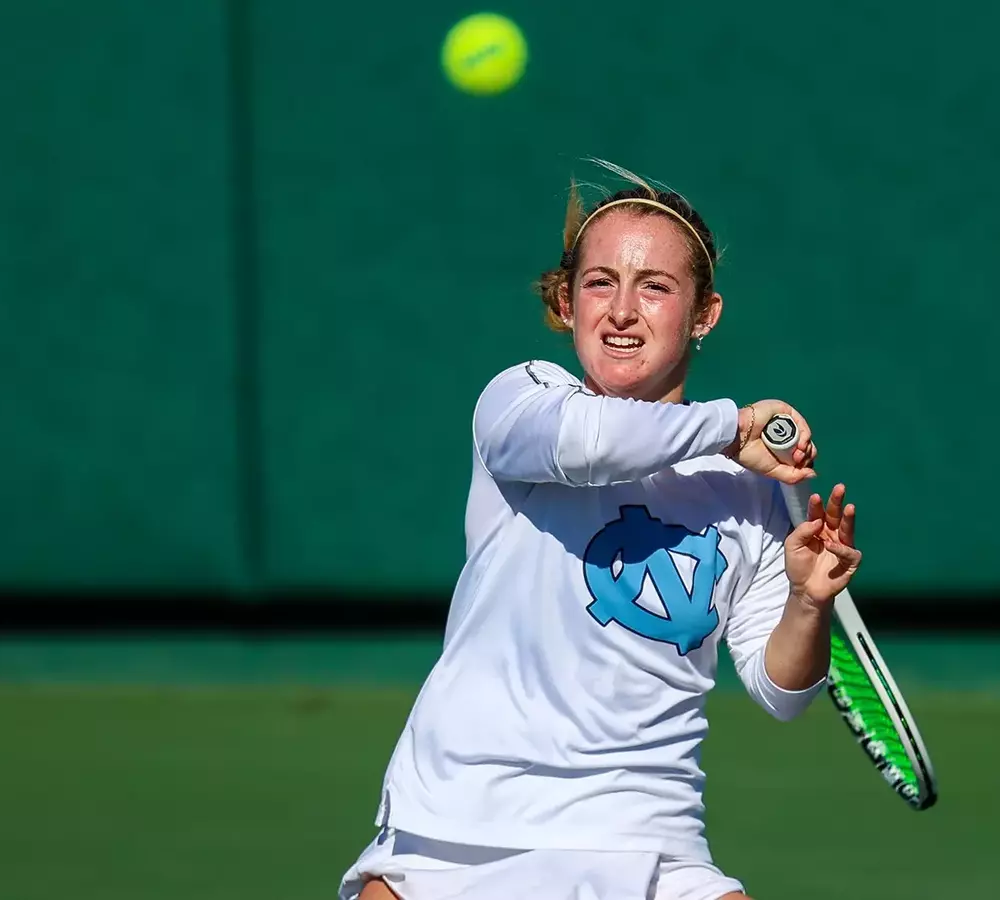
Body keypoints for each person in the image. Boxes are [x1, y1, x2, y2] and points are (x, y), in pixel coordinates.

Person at [338, 161, 862, 900]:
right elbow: (590, 444)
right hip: (456, 835)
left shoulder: (754, 497)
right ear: (565, 302)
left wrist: (807, 604)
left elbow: (782, 692)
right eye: (598, 282)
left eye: (655, 287)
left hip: (647, 841)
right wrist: (731, 424)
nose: (622, 310)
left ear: (704, 314)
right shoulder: (519, 401)